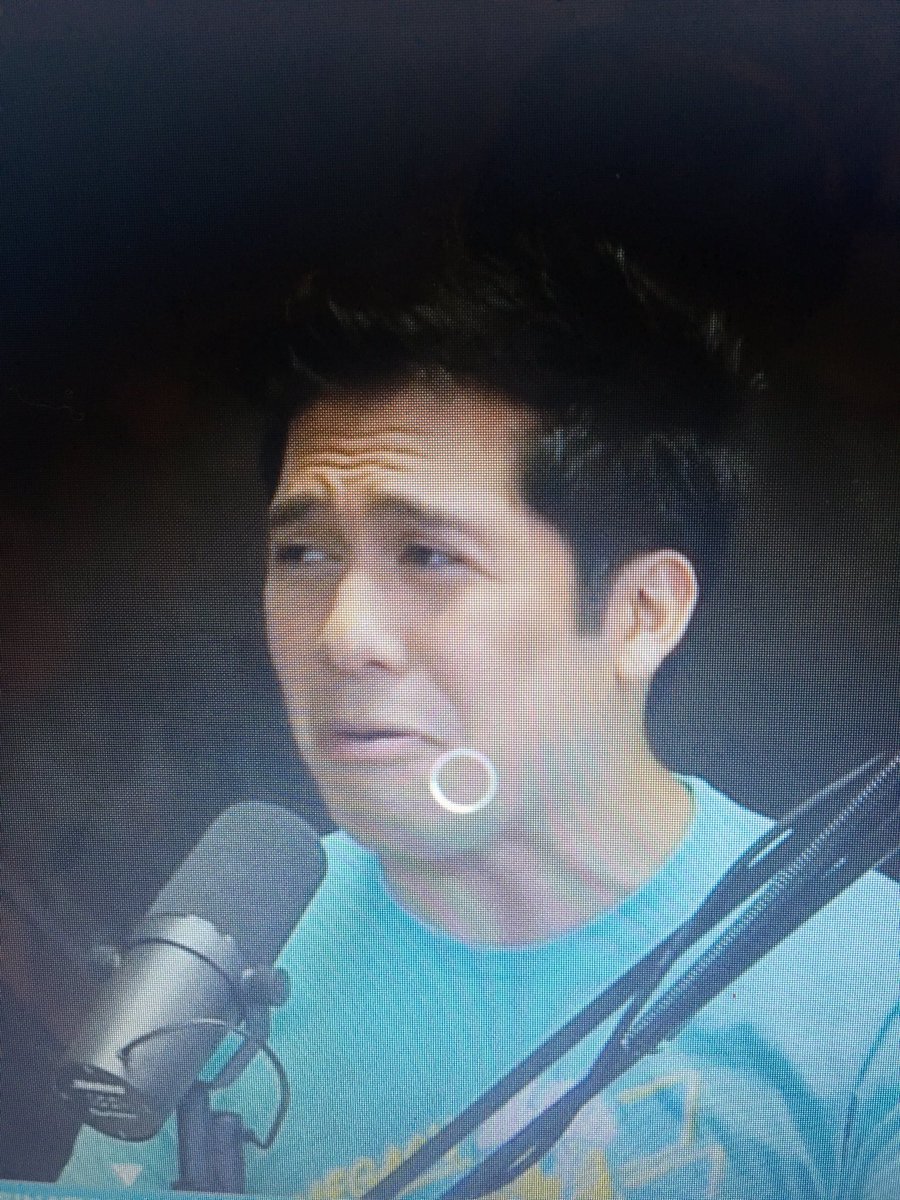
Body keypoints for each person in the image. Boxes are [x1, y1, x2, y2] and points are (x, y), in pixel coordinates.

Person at [57, 224, 899, 1199]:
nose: (341, 635)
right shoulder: (221, 964)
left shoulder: (864, 981)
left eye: (429, 555)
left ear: (642, 613)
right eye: (303, 553)